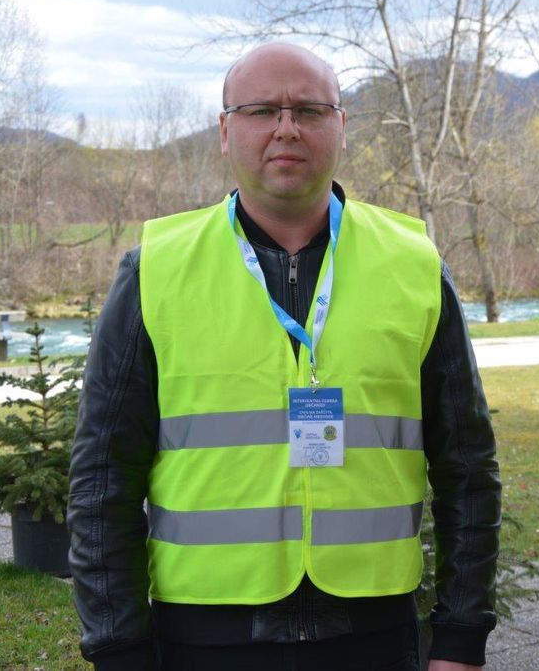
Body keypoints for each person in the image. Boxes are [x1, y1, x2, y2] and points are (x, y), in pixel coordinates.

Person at [67, 42, 500, 671]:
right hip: (203, 642)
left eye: (310, 111)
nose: (287, 128)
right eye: (262, 110)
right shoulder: (156, 270)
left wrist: (461, 636)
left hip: (375, 639)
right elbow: (102, 477)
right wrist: (117, 648)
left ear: (341, 127)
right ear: (225, 131)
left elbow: (468, 466)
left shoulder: (414, 266)